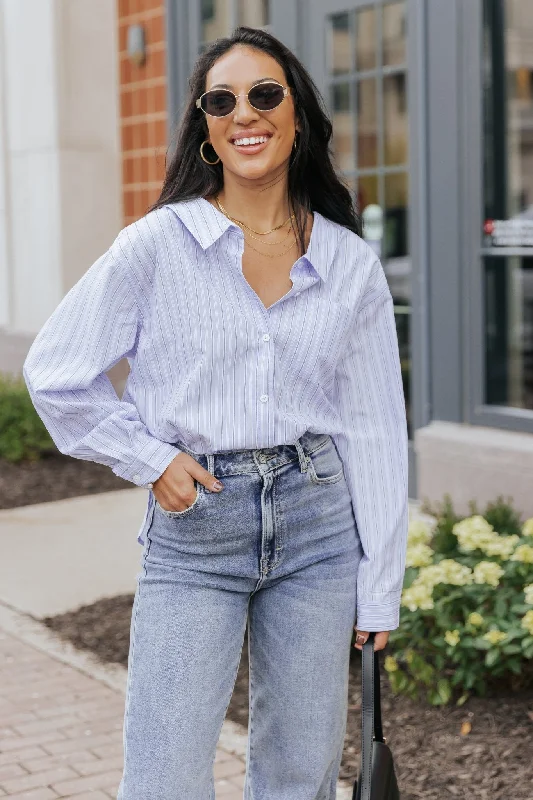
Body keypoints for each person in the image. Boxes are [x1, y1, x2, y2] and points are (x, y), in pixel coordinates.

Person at [23, 25, 408, 800]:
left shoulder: (347, 262)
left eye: (264, 94)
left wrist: (380, 587)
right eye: (221, 100)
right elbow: (55, 372)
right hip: (198, 525)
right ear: (205, 125)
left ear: (296, 115)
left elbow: (372, 430)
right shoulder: (155, 247)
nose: (245, 113)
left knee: (300, 777)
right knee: (163, 777)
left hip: (318, 528)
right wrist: (150, 458)